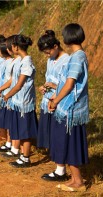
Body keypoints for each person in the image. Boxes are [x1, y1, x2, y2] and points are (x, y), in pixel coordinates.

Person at [46, 23, 89, 192]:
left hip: (70, 108)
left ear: (68, 37)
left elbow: (70, 84)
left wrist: (56, 101)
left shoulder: (78, 57)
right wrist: (55, 94)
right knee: (67, 142)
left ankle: (78, 182)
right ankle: (74, 179)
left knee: (71, 143)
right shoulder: (77, 55)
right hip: (67, 106)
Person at [36, 30, 70, 182]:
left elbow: (67, 85)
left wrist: (54, 87)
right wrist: (44, 87)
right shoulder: (51, 59)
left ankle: (61, 170)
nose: (47, 55)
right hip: (48, 101)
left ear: (56, 46)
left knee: (58, 136)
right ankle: (58, 166)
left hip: (59, 103)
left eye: (48, 51)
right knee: (51, 135)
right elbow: (49, 79)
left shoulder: (67, 60)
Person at [0, 35, 38, 168]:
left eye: (10, 46)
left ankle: (26, 157)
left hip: (24, 103)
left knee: (25, 132)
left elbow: (19, 84)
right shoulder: (21, 61)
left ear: (15, 47)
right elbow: (14, 81)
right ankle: (22, 155)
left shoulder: (27, 62)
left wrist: (7, 95)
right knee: (21, 130)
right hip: (18, 102)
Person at [0, 35, 21, 153]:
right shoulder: (9, 61)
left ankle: (13, 146)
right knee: (7, 121)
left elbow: (12, 80)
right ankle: (8, 143)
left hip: (11, 96)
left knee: (11, 122)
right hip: (6, 95)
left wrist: (2, 90)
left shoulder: (13, 62)